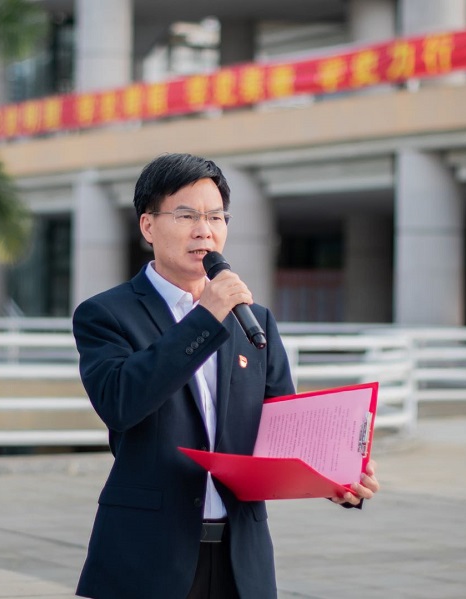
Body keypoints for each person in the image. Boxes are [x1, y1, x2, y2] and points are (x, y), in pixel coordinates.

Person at [72, 153, 379, 599]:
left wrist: (336, 476)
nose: (205, 230)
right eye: (186, 216)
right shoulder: (106, 314)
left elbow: (283, 431)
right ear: (148, 226)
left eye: (216, 217)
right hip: (147, 556)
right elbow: (121, 403)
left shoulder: (255, 319)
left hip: (242, 560)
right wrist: (207, 316)